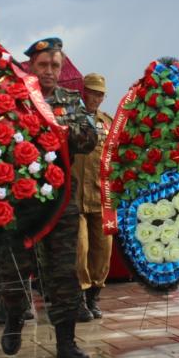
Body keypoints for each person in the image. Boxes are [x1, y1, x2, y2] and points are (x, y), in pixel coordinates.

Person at [0, 37, 96, 358]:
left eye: (55, 65)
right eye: (43, 65)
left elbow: (89, 137)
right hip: (22, 200)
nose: (50, 71)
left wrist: (63, 130)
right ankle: (13, 316)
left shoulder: (71, 100)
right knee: (15, 268)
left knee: (63, 272)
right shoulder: (14, 100)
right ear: (30, 67)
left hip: (61, 199)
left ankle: (66, 343)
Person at [72, 73, 113, 320]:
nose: (96, 97)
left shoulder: (108, 123)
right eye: (92, 92)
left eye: (100, 93)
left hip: (102, 198)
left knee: (103, 250)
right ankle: (80, 297)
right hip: (75, 197)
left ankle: (94, 296)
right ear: (82, 92)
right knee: (80, 249)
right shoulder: (70, 120)